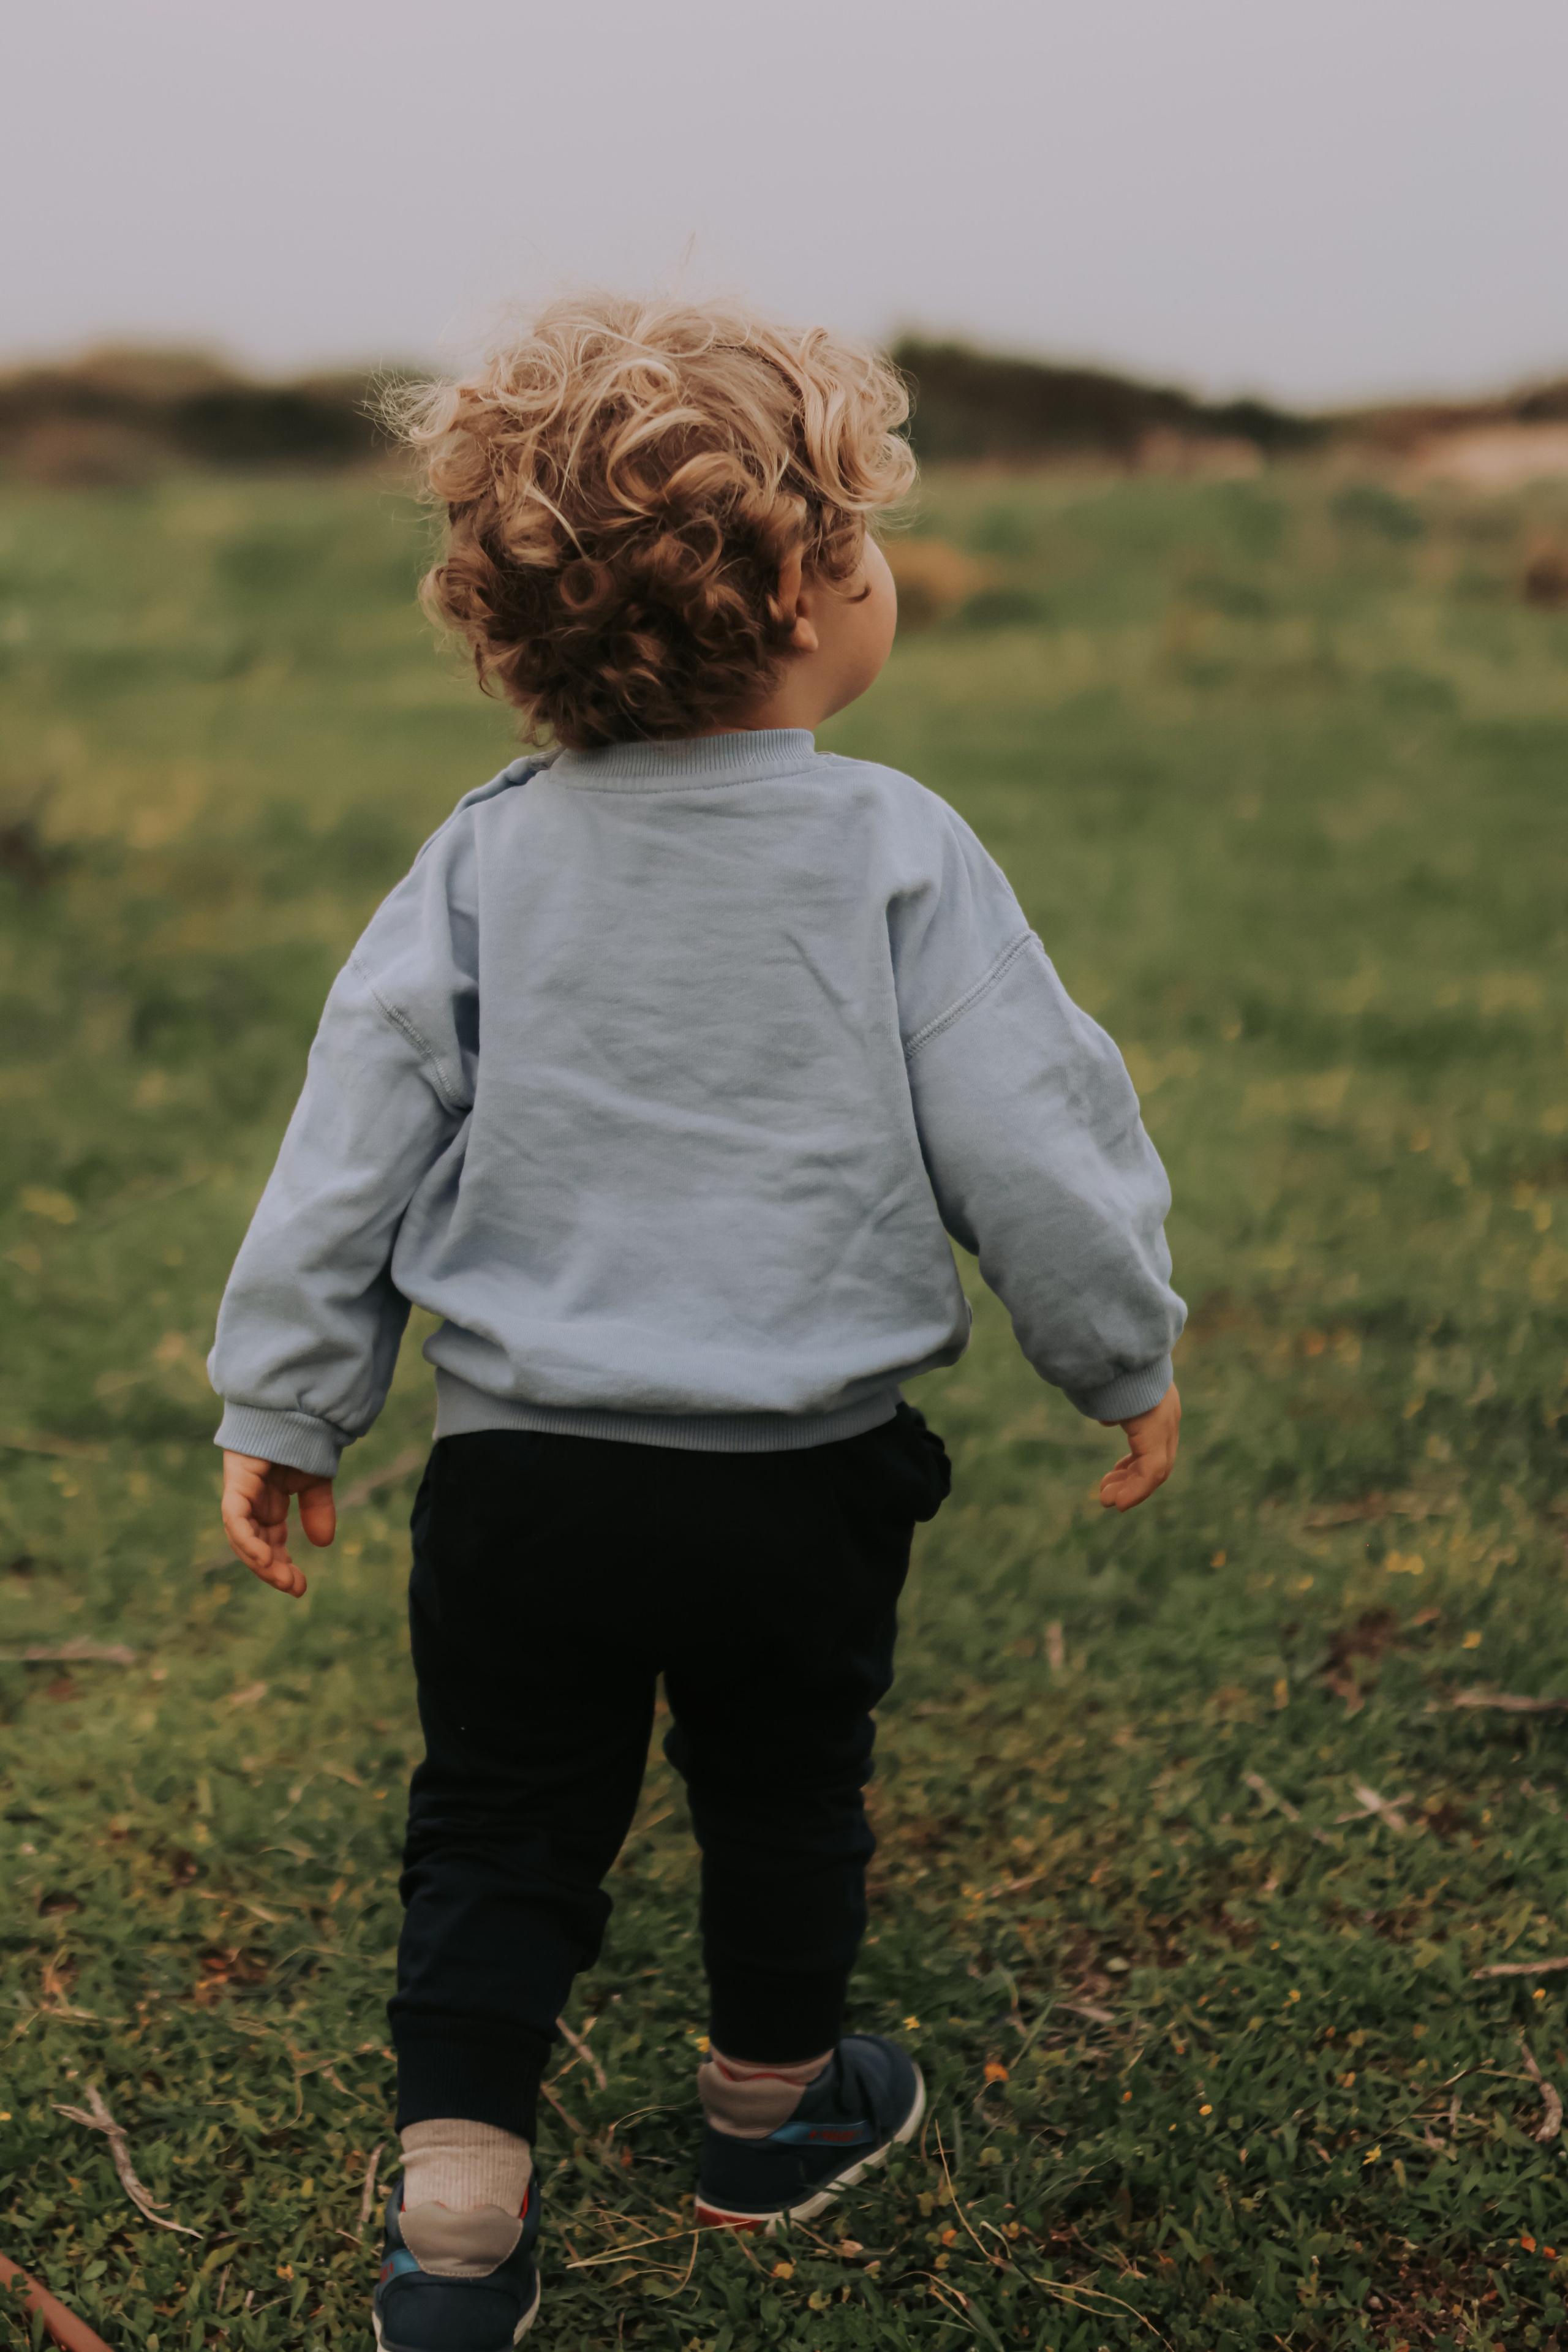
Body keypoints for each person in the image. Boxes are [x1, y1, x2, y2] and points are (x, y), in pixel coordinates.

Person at [209, 294, 1185, 2350]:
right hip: (797, 1476)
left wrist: (286, 1402)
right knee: (782, 1780)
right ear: (824, 590)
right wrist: (1121, 1352)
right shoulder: (898, 852)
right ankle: (767, 2120)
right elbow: (1037, 1142)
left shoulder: (483, 862)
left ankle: (460, 2219)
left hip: (524, 1474)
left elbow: (353, 1137)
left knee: (498, 1808)